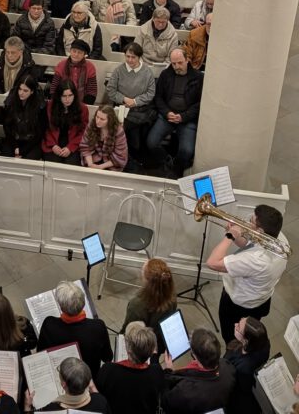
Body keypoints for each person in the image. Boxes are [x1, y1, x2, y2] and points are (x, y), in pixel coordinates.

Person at [206, 204, 288, 343]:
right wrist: (236, 234)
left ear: (260, 230)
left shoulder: (255, 260)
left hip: (238, 306)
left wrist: (229, 236)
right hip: (261, 298)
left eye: (251, 221)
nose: (247, 222)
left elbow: (212, 262)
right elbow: (248, 245)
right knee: (247, 334)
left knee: (232, 339)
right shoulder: (279, 239)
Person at [37, 281, 112, 380]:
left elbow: (40, 353)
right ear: (83, 302)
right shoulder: (98, 326)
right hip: (89, 378)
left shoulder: (49, 325)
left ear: (61, 307)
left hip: (63, 377)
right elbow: (107, 357)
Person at [146, 48, 203, 177]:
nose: (177, 66)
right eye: (173, 63)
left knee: (187, 151)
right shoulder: (166, 74)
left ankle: (176, 169)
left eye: (180, 63)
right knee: (151, 143)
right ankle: (168, 161)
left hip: (187, 118)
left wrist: (183, 117)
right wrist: (167, 113)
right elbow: (158, 97)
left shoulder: (198, 77)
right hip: (167, 116)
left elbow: (199, 104)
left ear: (187, 60)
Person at [95, 321, 166, 414]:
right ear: (151, 352)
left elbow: (99, 397)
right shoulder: (157, 373)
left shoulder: (108, 370)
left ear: (128, 349)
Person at [161, 329, 236, 414]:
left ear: (195, 356)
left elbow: (165, 402)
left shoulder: (185, 390)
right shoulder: (228, 367)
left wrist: (168, 371)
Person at [105, 42, 157, 162]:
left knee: (131, 133)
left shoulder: (147, 72)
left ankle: (129, 157)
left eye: (133, 57)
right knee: (127, 132)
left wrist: (135, 101)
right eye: (127, 56)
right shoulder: (119, 70)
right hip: (122, 108)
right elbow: (110, 90)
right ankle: (123, 157)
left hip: (140, 109)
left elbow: (150, 93)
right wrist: (124, 99)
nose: (130, 59)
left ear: (139, 57)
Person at [120, 257, 176, 347]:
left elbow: (127, 331)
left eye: (143, 271)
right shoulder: (172, 298)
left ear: (147, 282)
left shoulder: (136, 305)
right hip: (158, 342)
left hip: (140, 346)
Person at [26, 357, 111, 412]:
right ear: (88, 382)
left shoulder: (50, 409)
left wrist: (27, 407)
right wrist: (93, 389)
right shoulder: (101, 402)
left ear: (64, 385)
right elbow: (99, 401)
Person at [224, 317, 271, 414]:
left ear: (246, 340)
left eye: (238, 327)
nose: (235, 324)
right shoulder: (264, 343)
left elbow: (238, 386)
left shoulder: (243, 368)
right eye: (240, 320)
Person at [43, 81, 89, 165]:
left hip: (73, 142)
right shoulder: (50, 106)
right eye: (64, 96)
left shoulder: (83, 109)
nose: (67, 99)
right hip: (53, 141)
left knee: (71, 165)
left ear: (74, 95)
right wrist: (53, 145)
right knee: (53, 164)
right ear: (59, 96)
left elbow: (83, 132)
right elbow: (45, 128)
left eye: (70, 95)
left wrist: (70, 147)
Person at [80, 105, 128, 171]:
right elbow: (85, 146)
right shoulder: (91, 125)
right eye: (97, 117)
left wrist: (100, 167)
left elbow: (120, 156)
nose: (98, 121)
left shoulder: (118, 131)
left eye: (102, 119)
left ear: (110, 120)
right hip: (94, 158)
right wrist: (90, 164)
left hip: (111, 162)